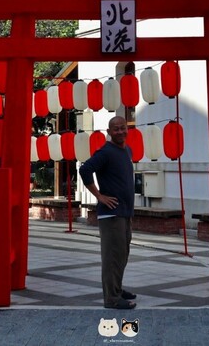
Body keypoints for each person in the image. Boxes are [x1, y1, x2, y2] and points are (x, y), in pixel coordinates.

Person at [79, 116, 137, 309]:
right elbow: (85, 169)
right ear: (109, 132)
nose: (120, 132)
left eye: (123, 128)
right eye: (116, 129)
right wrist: (99, 196)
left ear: (127, 129)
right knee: (113, 256)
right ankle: (111, 299)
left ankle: (117, 289)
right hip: (111, 214)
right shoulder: (106, 151)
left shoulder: (126, 150)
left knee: (122, 254)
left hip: (124, 213)